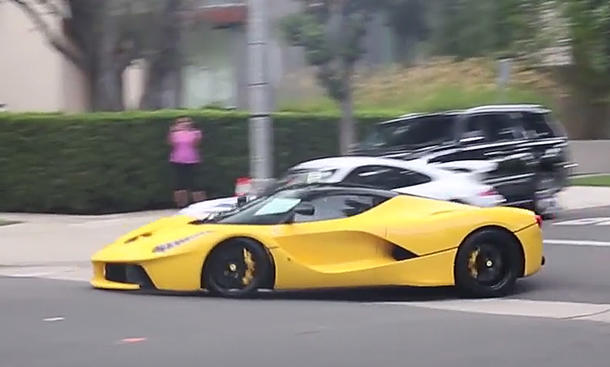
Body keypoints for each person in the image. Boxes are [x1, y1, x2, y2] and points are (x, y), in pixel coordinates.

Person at [168, 117, 206, 208]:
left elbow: (196, 144)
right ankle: (181, 204)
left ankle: (199, 203)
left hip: (193, 159)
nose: (185, 124)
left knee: (195, 182)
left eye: (187, 122)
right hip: (177, 159)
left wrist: (193, 134)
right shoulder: (174, 134)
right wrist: (173, 132)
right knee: (180, 182)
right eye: (182, 123)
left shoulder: (195, 133)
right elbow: (171, 144)